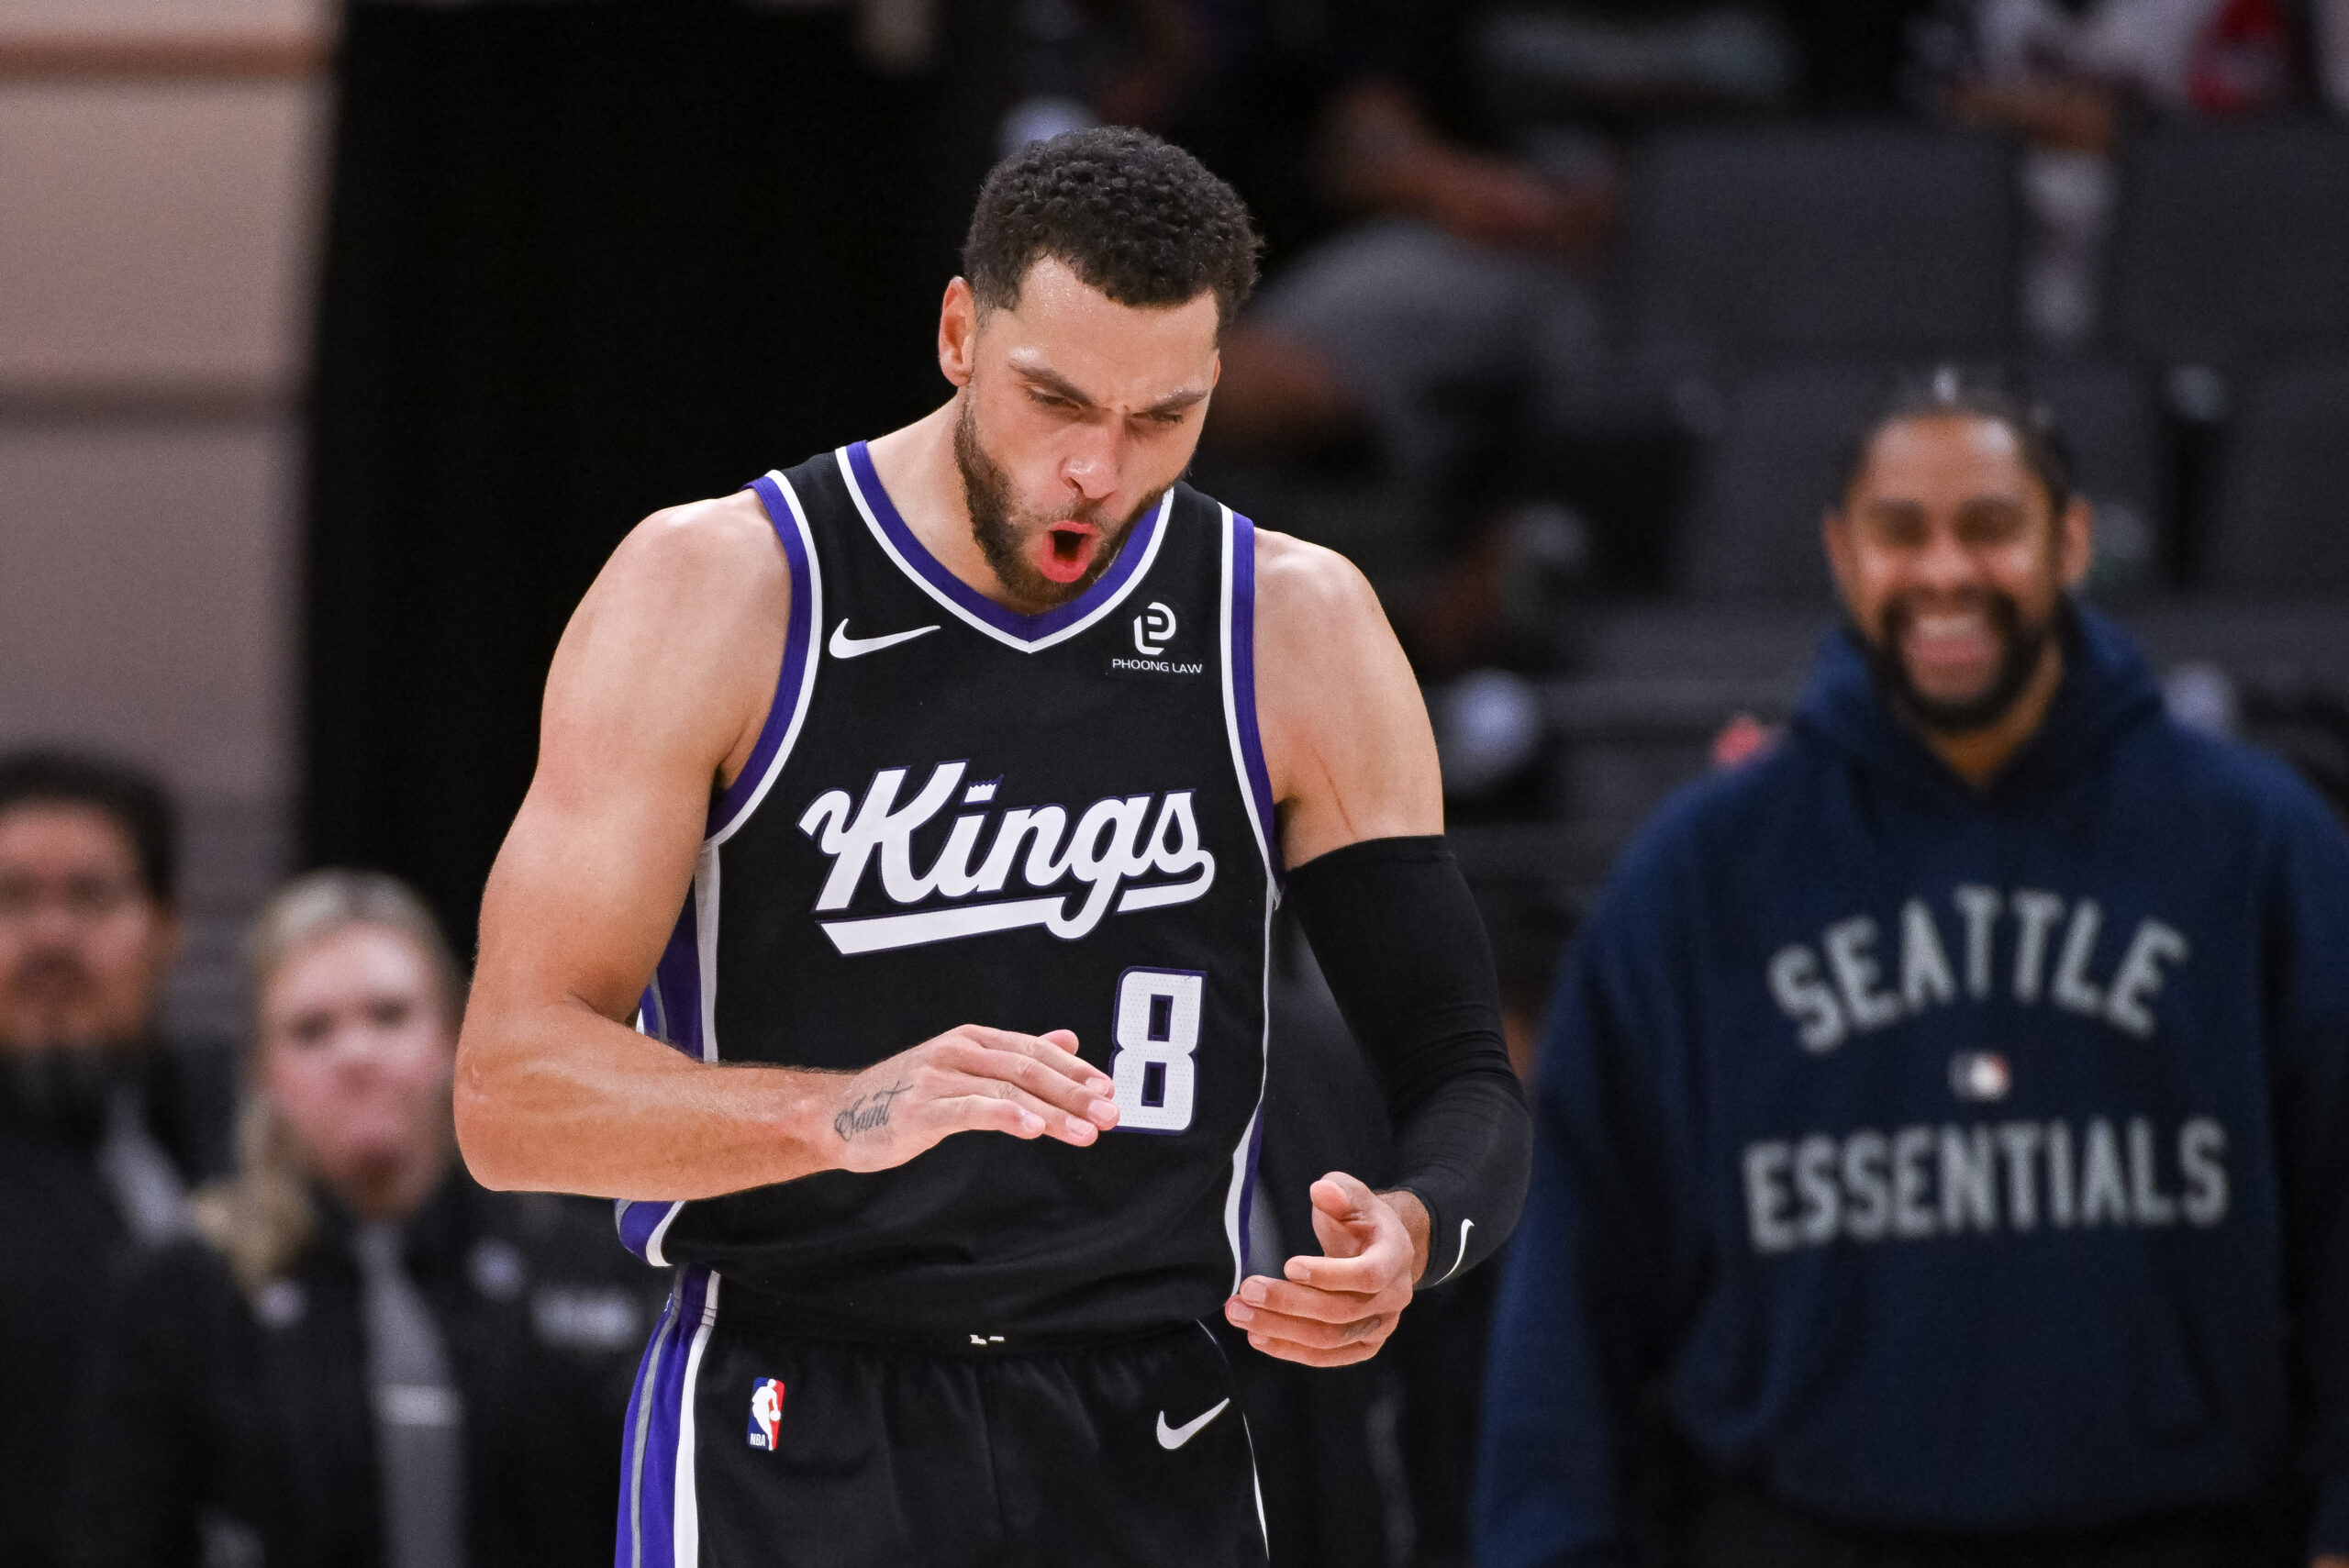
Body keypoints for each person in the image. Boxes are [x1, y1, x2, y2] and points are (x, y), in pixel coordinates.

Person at [452, 126, 1531, 1567]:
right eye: (1055, 399)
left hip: (1148, 1409)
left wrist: (1415, 1229)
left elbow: (1463, 1077)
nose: (1098, 466)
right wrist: (838, 1112)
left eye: (1164, 417)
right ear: (961, 332)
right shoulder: (718, 587)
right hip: (796, 1402)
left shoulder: (1293, 625)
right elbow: (509, 1092)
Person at [1475, 367, 2349, 1568]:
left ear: (2072, 542)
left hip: (2179, 1525)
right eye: (1903, 532)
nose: (1946, 573)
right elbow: (1580, 1266)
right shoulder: (1700, 872)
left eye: (1990, 528)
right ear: (1843, 552)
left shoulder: (2258, 844)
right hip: (1797, 1527)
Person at [68, 870, 660, 1568]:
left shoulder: (592, 1265)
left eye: (389, 1014)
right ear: (263, 1073)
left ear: (453, 1037)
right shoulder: (181, 1296)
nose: (356, 1055)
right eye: (311, 1030)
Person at [0, 750, 235, 1568]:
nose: (52, 935)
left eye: (92, 897)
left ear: (168, 928)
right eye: (14, 898)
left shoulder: (254, 1125)